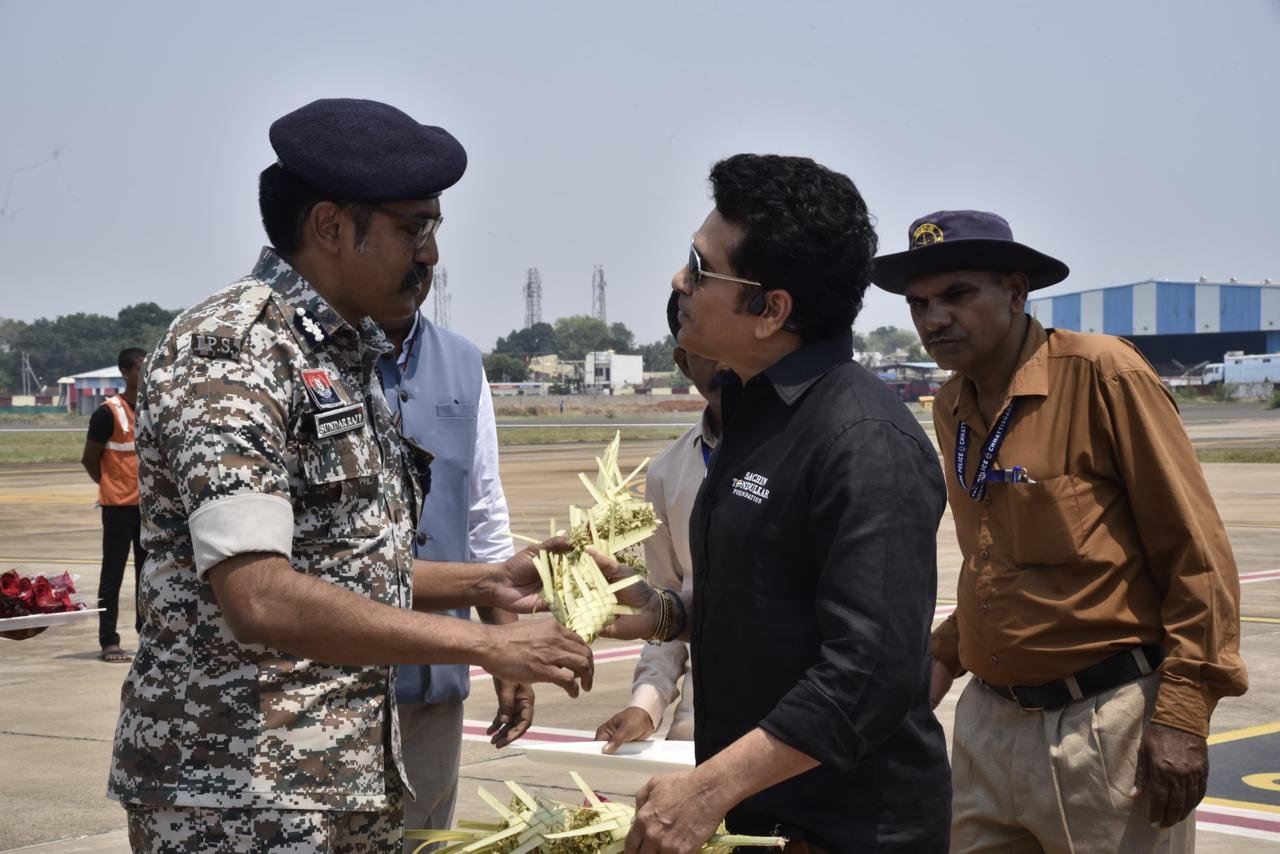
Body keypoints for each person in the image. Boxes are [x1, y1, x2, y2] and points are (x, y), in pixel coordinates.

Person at [107, 98, 593, 853]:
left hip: (336, 779)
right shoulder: (234, 352)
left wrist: (489, 582)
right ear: (331, 226)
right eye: (413, 229)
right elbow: (259, 595)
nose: (431, 255)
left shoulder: (339, 353)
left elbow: (342, 565)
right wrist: (483, 647)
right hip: (238, 792)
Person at [598, 154, 952, 852]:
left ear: (771, 310)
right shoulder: (755, 411)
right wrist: (664, 611)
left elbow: (868, 674)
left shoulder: (863, 442)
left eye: (701, 269)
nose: (679, 282)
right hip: (765, 819)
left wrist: (708, 789)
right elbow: (775, 604)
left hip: (847, 831)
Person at [872, 209, 1248, 851]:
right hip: (988, 724)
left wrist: (1184, 714)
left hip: (1103, 727)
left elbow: (1196, 554)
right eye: (919, 303)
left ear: (1016, 291)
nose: (934, 320)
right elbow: (993, 561)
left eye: (957, 294)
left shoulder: (1103, 374)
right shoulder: (953, 405)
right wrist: (942, 656)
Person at [372, 273, 529, 845]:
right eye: (405, 234)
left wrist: (507, 652)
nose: (422, 257)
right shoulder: (310, 357)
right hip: (337, 686)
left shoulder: (462, 362)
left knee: (426, 838)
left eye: (428, 236)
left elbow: (483, 516)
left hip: (435, 680)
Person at [594, 294, 731, 753]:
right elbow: (668, 606)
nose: (726, 360)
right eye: (709, 346)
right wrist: (645, 705)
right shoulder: (668, 473)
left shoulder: (803, 455)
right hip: (696, 730)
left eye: (733, 340)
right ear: (684, 361)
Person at [81, 347, 148, 663]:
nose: (146, 373)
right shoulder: (108, 413)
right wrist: (109, 485)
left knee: (147, 576)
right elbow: (89, 459)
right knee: (112, 575)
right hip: (118, 508)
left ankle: (147, 637)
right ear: (125, 372)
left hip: (148, 509)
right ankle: (109, 641)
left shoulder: (152, 410)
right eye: (140, 368)